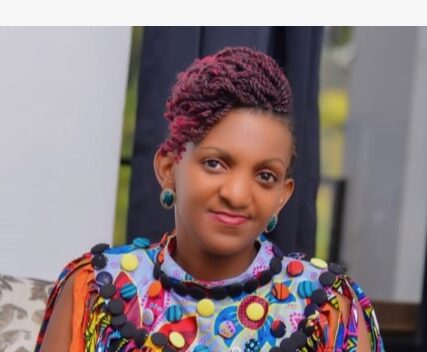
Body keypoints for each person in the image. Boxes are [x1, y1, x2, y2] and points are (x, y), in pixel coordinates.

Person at [36, 47, 384, 352]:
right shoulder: (98, 289)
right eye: (215, 163)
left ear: (282, 195)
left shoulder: (326, 307)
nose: (236, 195)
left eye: (265, 176)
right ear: (169, 168)